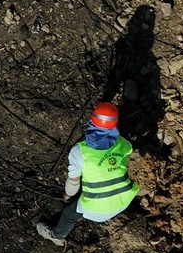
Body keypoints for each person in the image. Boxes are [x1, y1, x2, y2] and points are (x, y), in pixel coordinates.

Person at [36, 102, 140, 245]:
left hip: (97, 209)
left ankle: (57, 236)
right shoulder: (124, 144)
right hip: (125, 200)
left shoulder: (79, 151)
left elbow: (73, 183)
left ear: (92, 121)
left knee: (68, 215)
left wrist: (68, 195)